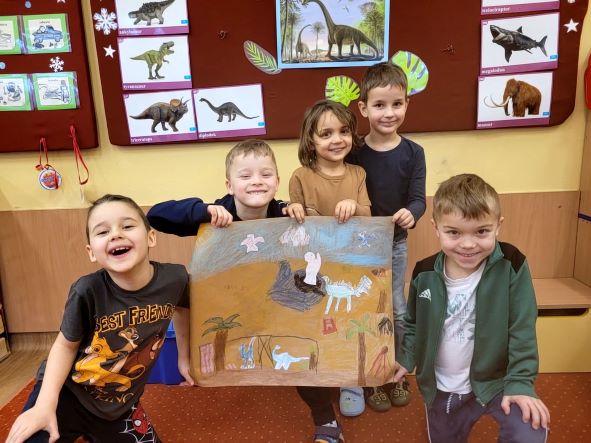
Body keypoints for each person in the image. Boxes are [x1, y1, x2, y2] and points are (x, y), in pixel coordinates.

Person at [146, 139, 343, 443]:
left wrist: (296, 211)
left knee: (299, 348)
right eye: (246, 175)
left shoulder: (283, 213)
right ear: (229, 184)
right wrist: (202, 210)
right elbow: (156, 216)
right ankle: (190, 362)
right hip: (231, 299)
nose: (256, 181)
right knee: (183, 286)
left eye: (265, 174)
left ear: (276, 181)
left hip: (275, 301)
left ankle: (326, 420)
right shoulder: (219, 211)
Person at [7, 194, 193, 443]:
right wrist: (44, 405)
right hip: (67, 395)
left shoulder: (176, 279)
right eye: (103, 232)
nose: (116, 235)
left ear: (151, 237)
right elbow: (64, 346)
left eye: (127, 226)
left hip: (119, 406)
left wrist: (184, 358)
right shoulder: (86, 290)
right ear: (91, 252)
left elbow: (183, 308)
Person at [393, 173, 550, 443]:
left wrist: (521, 382)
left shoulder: (512, 264)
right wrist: (406, 357)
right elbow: (413, 323)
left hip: (496, 382)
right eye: (454, 232)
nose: (468, 244)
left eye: (481, 231)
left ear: (498, 226)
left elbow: (522, 327)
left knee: (531, 431)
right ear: (436, 228)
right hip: (442, 387)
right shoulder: (424, 272)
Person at [285, 100, 371, 440]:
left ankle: (352, 382)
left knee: (348, 320)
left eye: (344, 131)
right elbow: (293, 218)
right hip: (316, 264)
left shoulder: (358, 174)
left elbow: (368, 214)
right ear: (311, 140)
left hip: (349, 260)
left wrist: (354, 206)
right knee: (319, 324)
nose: (337, 139)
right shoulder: (300, 176)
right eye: (326, 133)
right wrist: (292, 209)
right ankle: (322, 378)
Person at [347, 61, 426, 411]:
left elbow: (418, 199)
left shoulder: (414, 152)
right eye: (379, 105)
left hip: (394, 243)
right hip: (357, 248)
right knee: (363, 308)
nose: (389, 112)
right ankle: (371, 376)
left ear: (407, 104)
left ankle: (397, 370)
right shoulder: (353, 152)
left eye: (397, 104)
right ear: (364, 108)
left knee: (396, 307)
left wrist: (413, 213)